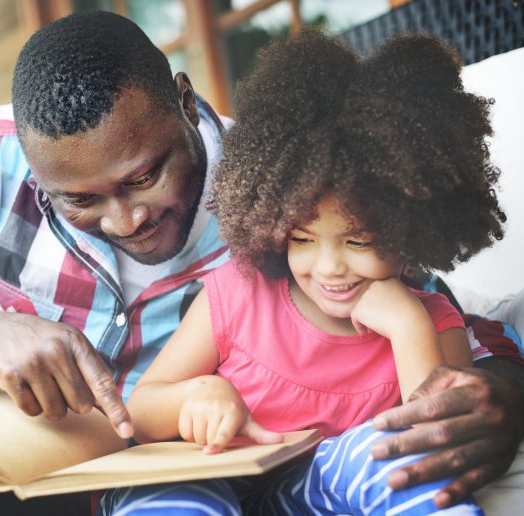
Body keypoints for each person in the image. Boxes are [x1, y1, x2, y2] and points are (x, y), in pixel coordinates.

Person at [0, 11, 521, 515]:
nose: (125, 218)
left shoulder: (283, 187)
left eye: (145, 176)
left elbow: (443, 323)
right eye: (79, 200)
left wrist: (499, 394)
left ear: (185, 104)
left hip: (149, 478)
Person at [100, 29, 507, 515]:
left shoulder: (433, 322)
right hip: (213, 476)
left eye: (359, 241)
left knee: (386, 462)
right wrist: (199, 395)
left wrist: (407, 326)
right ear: (272, 223)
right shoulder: (239, 293)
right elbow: (140, 413)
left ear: (411, 231)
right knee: (161, 496)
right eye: (303, 239)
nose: (330, 267)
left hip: (315, 491)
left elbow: (437, 449)